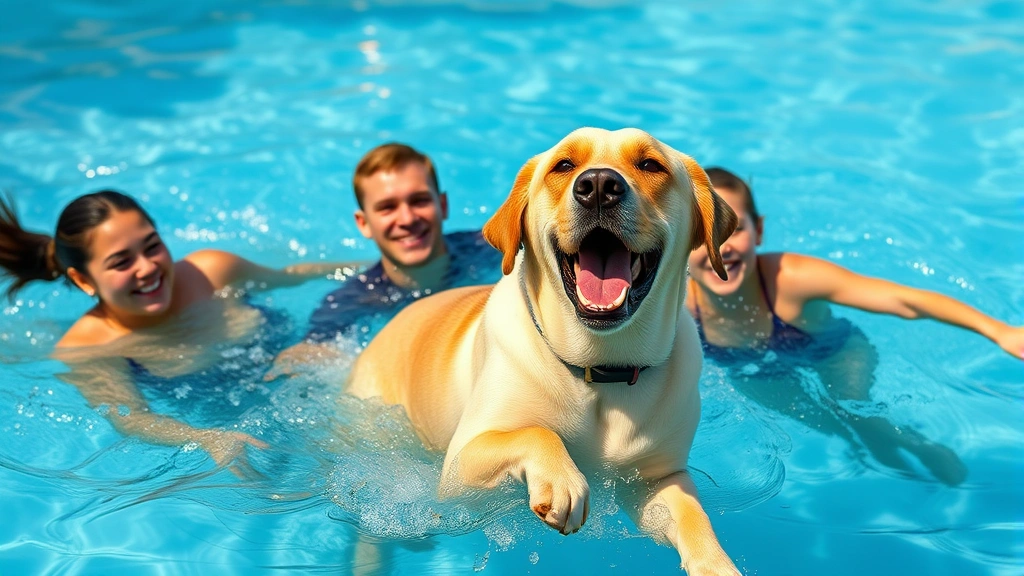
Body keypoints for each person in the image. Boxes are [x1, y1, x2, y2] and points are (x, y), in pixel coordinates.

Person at [686, 167, 1024, 485]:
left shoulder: (791, 279)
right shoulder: (675, 304)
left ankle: (919, 445)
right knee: (834, 426)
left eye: (735, 229)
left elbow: (904, 300)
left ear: (758, 231)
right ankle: (876, 451)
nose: (720, 246)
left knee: (857, 412)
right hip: (754, 370)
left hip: (832, 352)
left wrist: (998, 330)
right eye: (702, 235)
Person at [0, 190, 362, 476]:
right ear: (82, 279)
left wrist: (378, 269)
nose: (148, 268)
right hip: (241, 426)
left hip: (314, 374)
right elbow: (132, 418)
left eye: (152, 245)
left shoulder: (213, 271)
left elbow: (295, 277)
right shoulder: (89, 347)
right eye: (122, 262)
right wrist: (203, 437)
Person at [267, 143, 501, 378]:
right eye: (387, 207)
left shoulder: (491, 248)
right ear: (364, 223)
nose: (407, 219)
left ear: (442, 205)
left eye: (419, 200)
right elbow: (310, 354)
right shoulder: (354, 301)